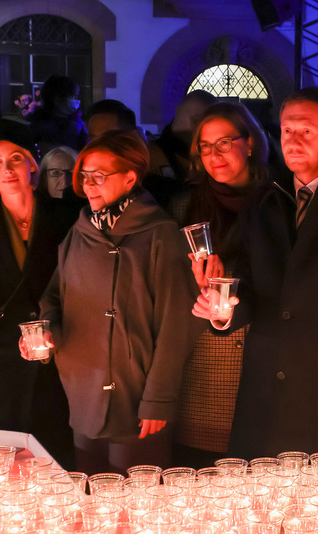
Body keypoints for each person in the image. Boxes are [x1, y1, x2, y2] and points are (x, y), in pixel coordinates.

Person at [193, 88, 318, 458]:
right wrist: (222, 311)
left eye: (306, 131)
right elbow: (249, 289)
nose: (294, 141)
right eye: (288, 131)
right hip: (264, 384)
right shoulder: (264, 201)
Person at [31, 129, 196, 474]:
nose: (88, 185)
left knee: (135, 505)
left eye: (99, 176)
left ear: (130, 178)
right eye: (84, 176)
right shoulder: (80, 230)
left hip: (134, 395)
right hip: (82, 387)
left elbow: (176, 324)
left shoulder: (160, 234)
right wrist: (47, 331)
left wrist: (158, 398)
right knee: (92, 495)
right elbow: (53, 296)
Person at [0, 120, 77, 466]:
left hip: (55, 367)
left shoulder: (66, 217)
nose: (6, 169)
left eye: (15, 158)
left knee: (55, 465)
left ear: (33, 164)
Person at [168, 102, 279, 468]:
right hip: (204, 359)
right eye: (205, 146)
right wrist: (197, 284)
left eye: (224, 143)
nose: (214, 155)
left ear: (249, 143)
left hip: (263, 352)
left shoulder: (279, 198)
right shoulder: (186, 205)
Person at [148, 90, 218, 185]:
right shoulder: (149, 159)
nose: (218, 130)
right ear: (196, 121)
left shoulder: (148, 155)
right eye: (213, 123)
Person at [29, 75, 88, 156]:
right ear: (57, 99)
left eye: (76, 96)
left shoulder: (76, 119)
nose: (76, 100)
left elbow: (85, 144)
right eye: (72, 96)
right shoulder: (39, 123)